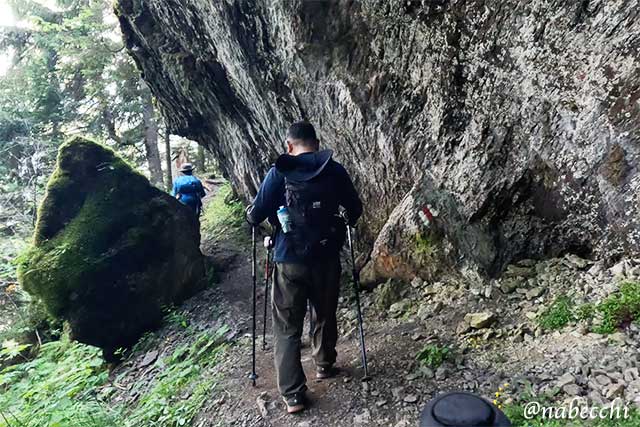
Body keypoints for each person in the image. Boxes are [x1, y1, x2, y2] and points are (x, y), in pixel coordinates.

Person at [248, 121, 363, 414]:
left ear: (289, 146)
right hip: (326, 257)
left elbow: (256, 213)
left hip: (289, 261)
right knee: (324, 312)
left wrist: (256, 217)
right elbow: (355, 210)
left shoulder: (279, 172)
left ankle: (293, 395)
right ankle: (324, 364)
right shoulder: (334, 170)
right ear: (316, 141)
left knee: (287, 327)